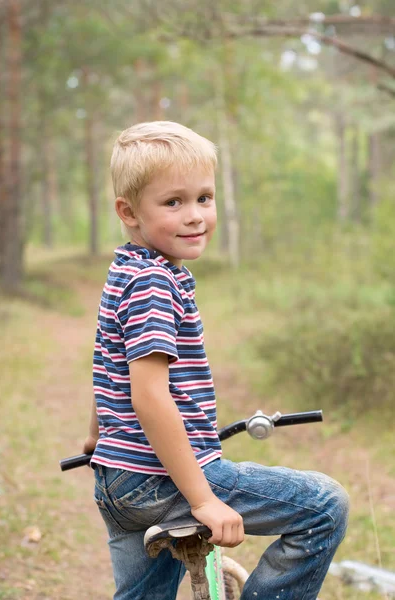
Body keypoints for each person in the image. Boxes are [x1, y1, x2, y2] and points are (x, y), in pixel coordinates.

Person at [83, 121, 349, 600]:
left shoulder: (128, 267)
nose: (194, 216)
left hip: (119, 481)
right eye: (173, 202)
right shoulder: (154, 284)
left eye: (204, 198)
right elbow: (148, 394)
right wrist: (204, 499)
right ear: (128, 211)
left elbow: (112, 359)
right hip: (159, 480)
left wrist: (99, 433)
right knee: (325, 506)